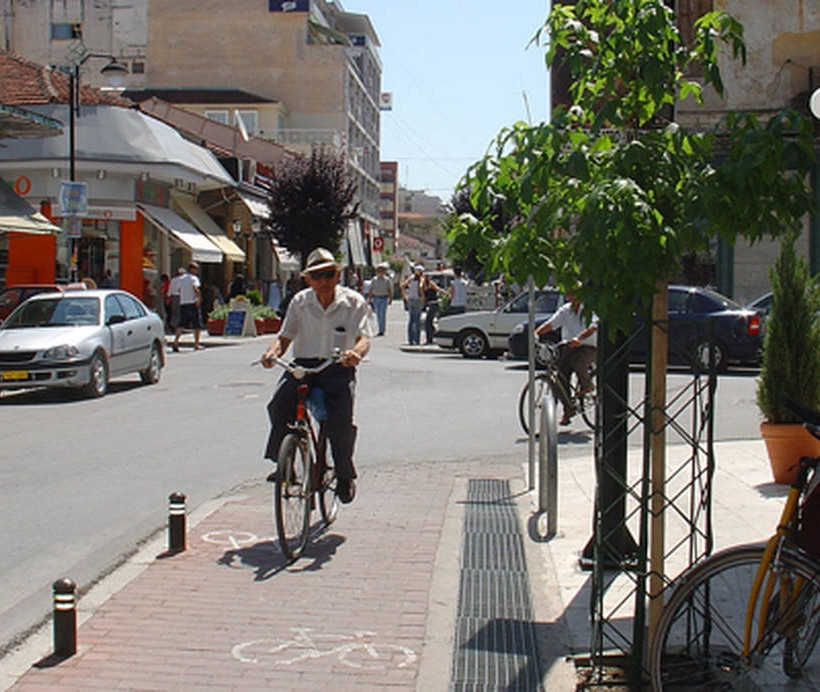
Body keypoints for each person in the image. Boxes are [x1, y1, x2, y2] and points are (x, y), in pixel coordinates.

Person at [261, 247, 375, 504]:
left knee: (340, 420)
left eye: (328, 274)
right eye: (317, 276)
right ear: (308, 279)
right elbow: (284, 337)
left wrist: (355, 354)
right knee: (280, 404)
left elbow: (363, 338)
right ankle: (285, 465)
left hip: (337, 366)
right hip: (304, 365)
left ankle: (345, 475)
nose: (323, 281)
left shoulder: (353, 302)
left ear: (337, 276)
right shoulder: (300, 302)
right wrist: (271, 354)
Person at [534, 288, 598, 425]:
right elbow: (551, 324)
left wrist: (579, 338)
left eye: (572, 293)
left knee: (578, 362)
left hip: (587, 346)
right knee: (560, 378)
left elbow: (593, 327)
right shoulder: (565, 310)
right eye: (568, 293)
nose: (569, 296)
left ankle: (587, 385)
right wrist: (536, 333)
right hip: (568, 346)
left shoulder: (588, 309)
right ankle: (568, 410)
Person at [173, 262, 204, 352]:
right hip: (192, 303)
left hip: (183, 303)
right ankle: (196, 344)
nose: (197, 271)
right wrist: (198, 298)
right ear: (192, 269)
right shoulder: (193, 278)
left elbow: (178, 290)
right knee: (197, 324)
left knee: (181, 324)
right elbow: (195, 288)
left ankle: (176, 342)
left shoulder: (181, 279)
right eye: (196, 269)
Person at [400, 265, 425, 345]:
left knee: (411, 320)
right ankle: (417, 339)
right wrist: (422, 296)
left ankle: (410, 339)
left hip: (410, 299)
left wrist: (405, 296)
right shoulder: (421, 279)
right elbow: (421, 287)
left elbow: (402, 285)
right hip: (417, 300)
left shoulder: (411, 278)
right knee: (417, 320)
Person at [421, 271, 448, 345]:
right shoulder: (423, 285)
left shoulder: (431, 284)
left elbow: (438, 289)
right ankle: (432, 335)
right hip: (430, 305)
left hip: (434, 304)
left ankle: (430, 338)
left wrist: (447, 293)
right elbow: (423, 296)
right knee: (428, 322)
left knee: (428, 322)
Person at [367, 262, 392, 336]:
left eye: (382, 270)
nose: (381, 272)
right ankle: (380, 328)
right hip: (376, 298)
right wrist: (369, 298)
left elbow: (389, 290)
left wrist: (390, 299)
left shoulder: (387, 280)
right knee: (378, 314)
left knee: (382, 314)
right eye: (379, 270)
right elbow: (371, 289)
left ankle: (382, 329)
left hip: (384, 298)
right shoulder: (374, 279)